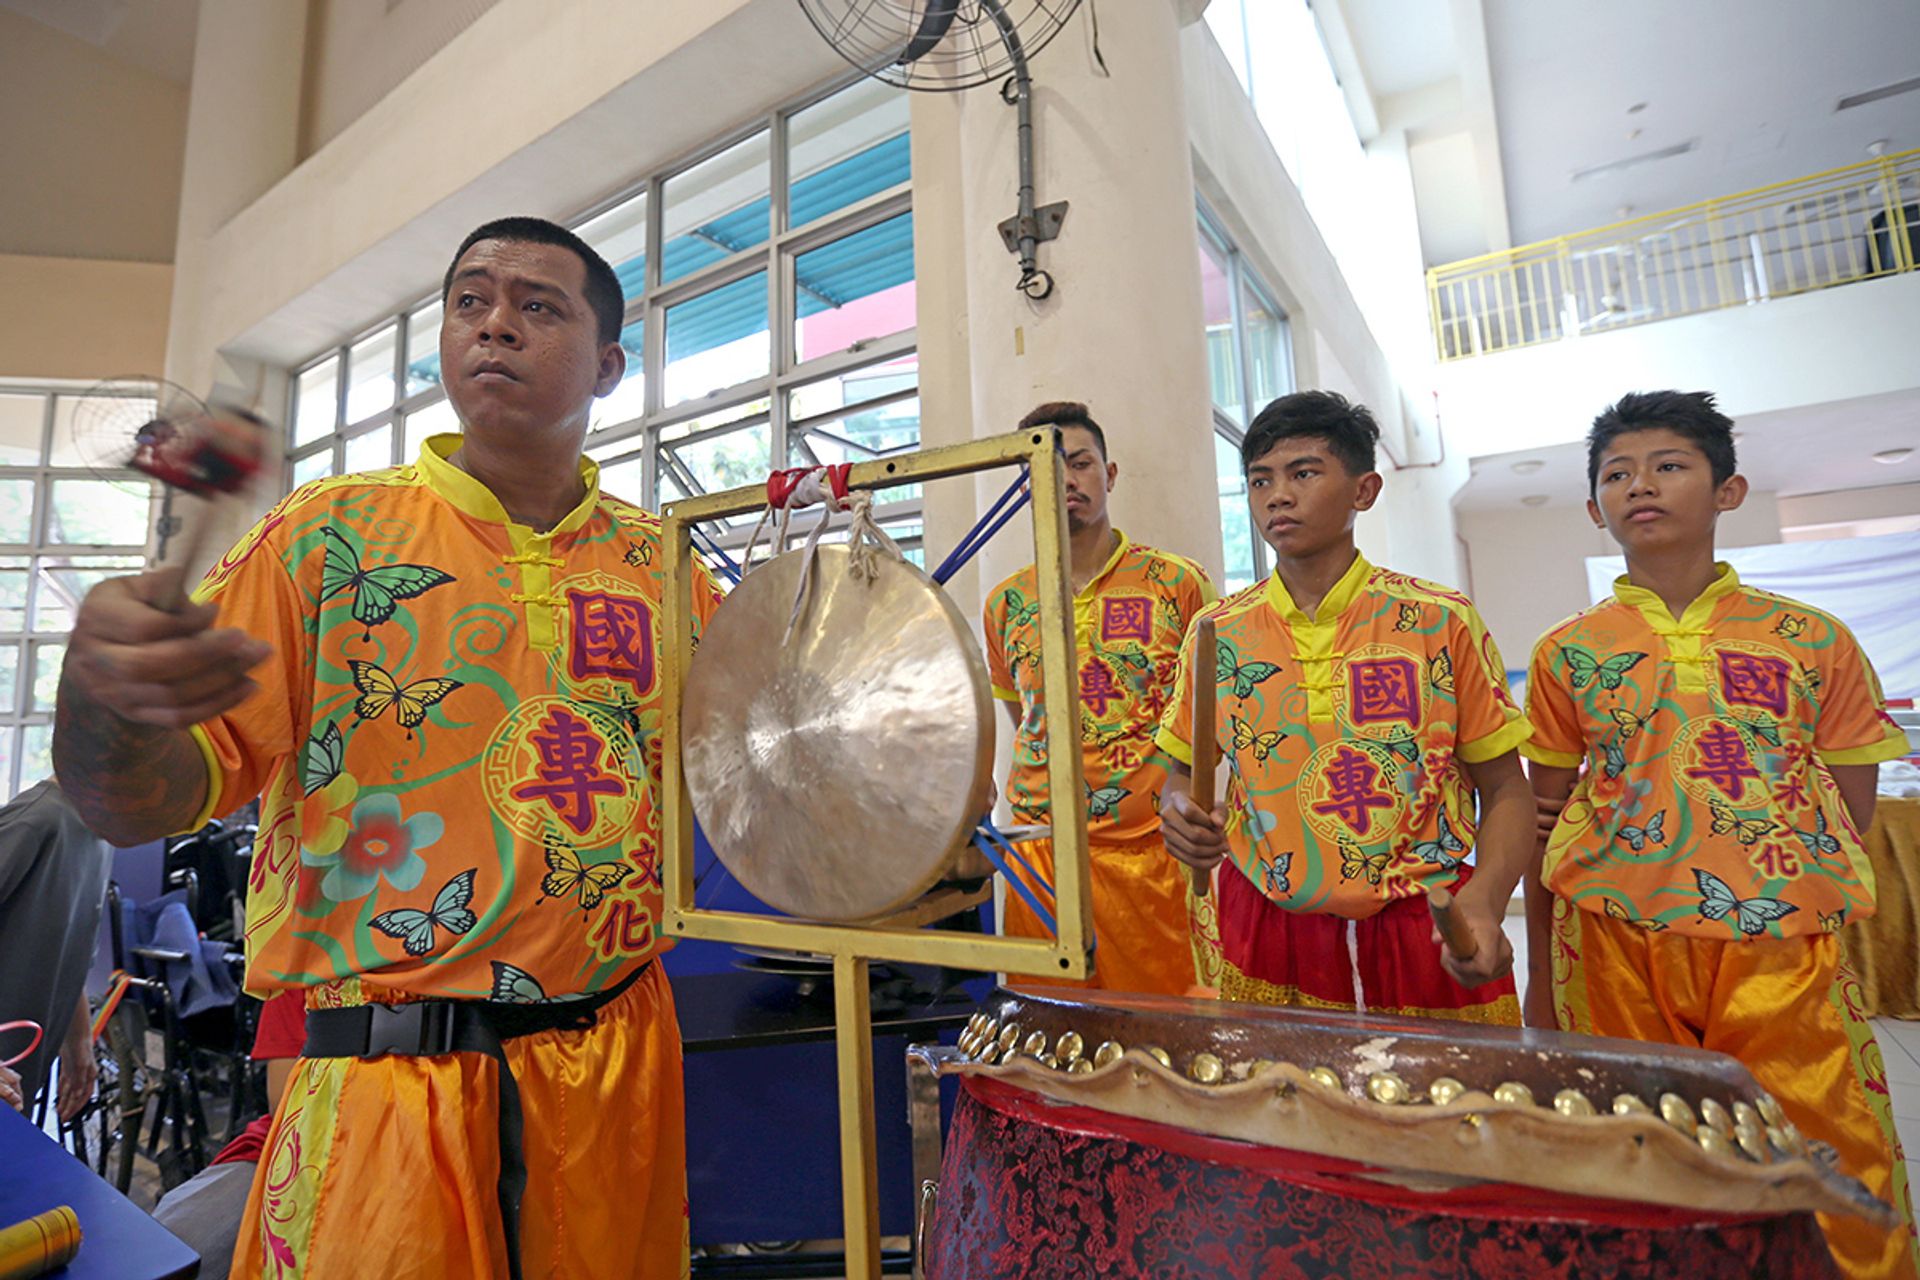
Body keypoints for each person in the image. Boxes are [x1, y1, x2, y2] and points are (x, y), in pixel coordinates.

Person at [54, 216, 720, 1279]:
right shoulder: (326, 540)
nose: (494, 322)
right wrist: (99, 705)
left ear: (607, 367)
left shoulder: (669, 571)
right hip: (384, 1091)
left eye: (536, 304)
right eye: (470, 299)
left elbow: (775, 773)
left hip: (615, 1081)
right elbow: (136, 802)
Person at [1522, 390, 1915, 1280]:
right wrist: (1542, 987)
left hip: (1779, 944)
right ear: (1594, 508)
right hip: (1616, 936)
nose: (1641, 486)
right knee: (1636, 1151)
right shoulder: (1568, 651)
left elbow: (1849, 808)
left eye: (1669, 465)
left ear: (1727, 490)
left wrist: (1776, 873)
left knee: (1822, 1144)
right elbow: (1545, 819)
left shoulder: (1810, 639)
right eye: (1617, 474)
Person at [1157, 391, 1530, 1019]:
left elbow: (1505, 791)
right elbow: (1177, 775)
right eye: (1259, 480)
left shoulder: (1439, 620)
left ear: (1364, 491)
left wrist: (1485, 901)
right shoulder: (1216, 633)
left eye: (1303, 473)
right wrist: (1177, 814)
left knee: (1444, 1113)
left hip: (1425, 923)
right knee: (1292, 1109)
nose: (1277, 495)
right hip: (1269, 926)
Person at [982, 401, 1214, 995]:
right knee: (1051, 1046)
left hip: (1151, 858)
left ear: (1108, 475)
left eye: (1080, 463)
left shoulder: (1178, 585)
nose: (1065, 480)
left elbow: (1208, 723)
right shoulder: (1007, 605)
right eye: (1046, 468)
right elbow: (1026, 720)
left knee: (1166, 1044)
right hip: (1041, 859)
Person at [0, 779, 109, 1123]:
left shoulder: (102, 835)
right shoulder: (35, 821)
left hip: (21, 1076)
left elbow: (69, 950)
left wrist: (79, 1040)